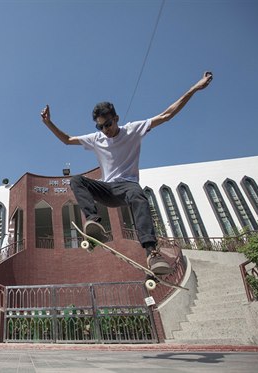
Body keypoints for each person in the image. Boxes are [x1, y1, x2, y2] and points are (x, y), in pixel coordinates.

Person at [40, 71, 213, 275]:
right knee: (77, 180)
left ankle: (152, 253)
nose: (105, 130)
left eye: (108, 124)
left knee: (138, 194)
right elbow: (67, 140)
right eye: (100, 126)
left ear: (116, 119)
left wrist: (194, 88)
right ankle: (93, 221)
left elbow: (167, 115)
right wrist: (49, 123)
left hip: (128, 186)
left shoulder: (133, 129)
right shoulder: (96, 139)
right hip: (107, 189)